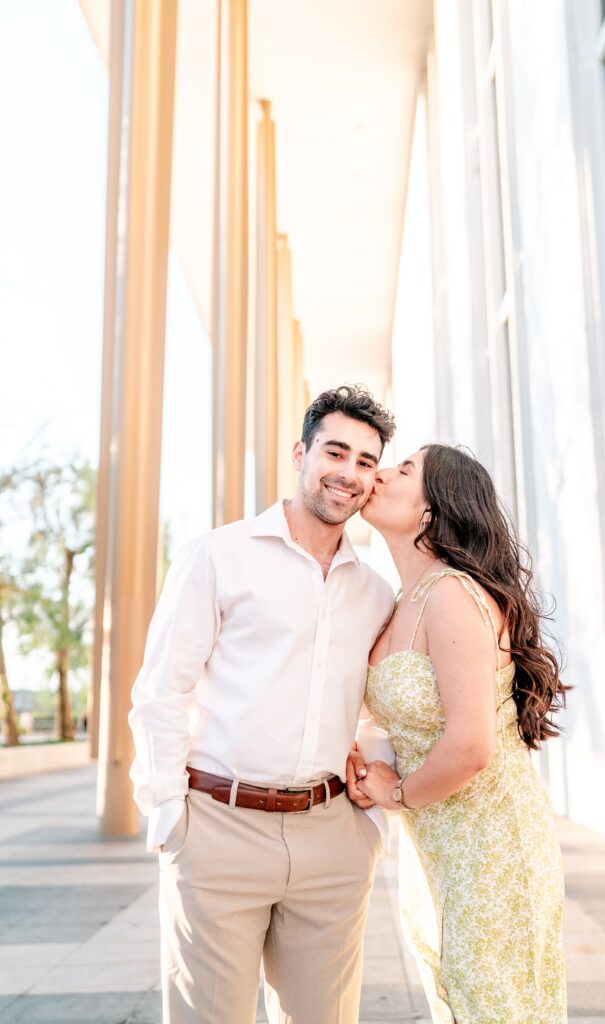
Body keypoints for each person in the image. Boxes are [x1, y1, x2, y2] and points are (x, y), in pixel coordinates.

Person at [129, 385, 396, 1024]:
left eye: (366, 462)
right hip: (218, 827)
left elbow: (378, 709)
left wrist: (369, 823)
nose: (349, 474)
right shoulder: (217, 555)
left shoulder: (376, 590)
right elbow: (163, 687)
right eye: (336, 452)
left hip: (331, 836)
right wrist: (168, 814)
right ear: (300, 453)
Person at [348, 444, 568, 1023]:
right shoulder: (402, 602)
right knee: (453, 998)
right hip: (436, 848)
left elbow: (471, 746)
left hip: (492, 848)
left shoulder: (452, 593)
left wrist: (395, 793)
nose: (381, 473)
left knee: (494, 1006)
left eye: (402, 470)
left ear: (432, 510)